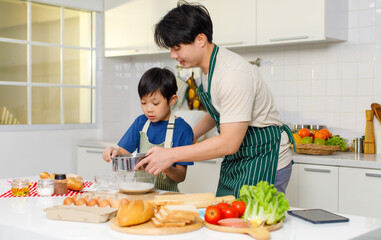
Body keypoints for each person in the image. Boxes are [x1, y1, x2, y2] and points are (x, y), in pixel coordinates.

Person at [134, 1, 295, 197]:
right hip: (240, 158)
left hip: (265, 159)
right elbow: (220, 111)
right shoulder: (207, 70)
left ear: (200, 39)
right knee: (224, 220)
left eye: (177, 47)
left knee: (252, 224)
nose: (173, 54)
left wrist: (171, 154)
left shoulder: (232, 73)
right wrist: (190, 136)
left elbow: (229, 142)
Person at [102, 67, 194, 192]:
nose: (149, 109)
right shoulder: (141, 123)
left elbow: (181, 176)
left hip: (168, 196)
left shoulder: (183, 130)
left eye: (155, 103)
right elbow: (122, 153)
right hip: (140, 193)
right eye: (143, 103)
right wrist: (113, 153)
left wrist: (166, 166)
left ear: (172, 100)